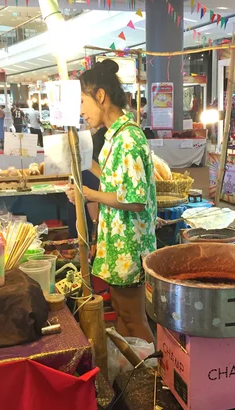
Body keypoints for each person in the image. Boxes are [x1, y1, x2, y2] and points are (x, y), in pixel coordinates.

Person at [66, 59, 157, 343]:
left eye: (83, 101)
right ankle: (135, 372)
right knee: (120, 312)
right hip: (117, 243)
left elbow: (134, 200)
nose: (81, 109)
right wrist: (81, 161)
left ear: (101, 96)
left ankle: (156, 377)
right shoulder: (114, 137)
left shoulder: (128, 137)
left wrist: (88, 195)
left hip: (129, 245)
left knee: (132, 316)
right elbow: (114, 179)